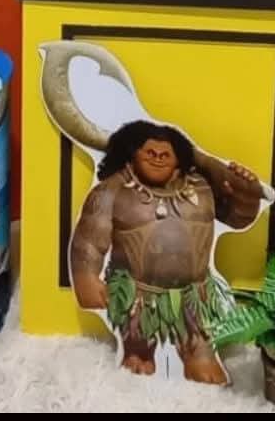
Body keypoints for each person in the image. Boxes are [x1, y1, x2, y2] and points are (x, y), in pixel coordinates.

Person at [70, 120, 264, 384]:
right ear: (132, 153)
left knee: (204, 363)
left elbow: (238, 218)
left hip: (194, 298)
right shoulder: (112, 190)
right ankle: (137, 354)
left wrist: (247, 195)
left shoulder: (201, 186)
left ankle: (199, 357)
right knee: (138, 359)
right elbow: (90, 240)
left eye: (165, 154)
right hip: (139, 300)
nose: (158, 158)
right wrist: (86, 277)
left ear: (179, 160)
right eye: (150, 153)